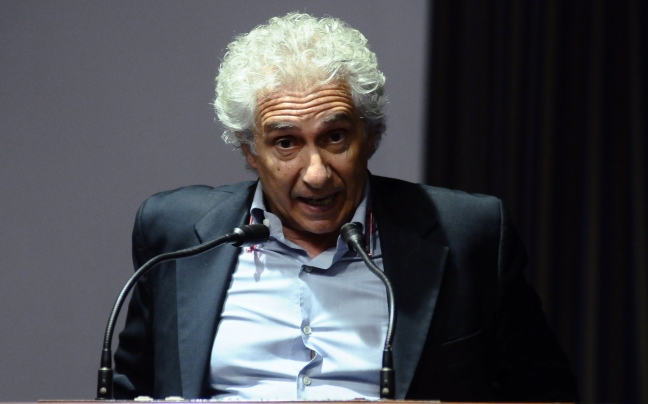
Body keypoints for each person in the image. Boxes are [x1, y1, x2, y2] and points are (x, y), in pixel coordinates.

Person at [113, 12, 578, 402]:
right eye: (286, 143)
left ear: (369, 136)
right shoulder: (176, 233)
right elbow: (127, 391)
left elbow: (547, 395)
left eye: (335, 137)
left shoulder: (468, 235)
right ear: (250, 150)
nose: (316, 173)